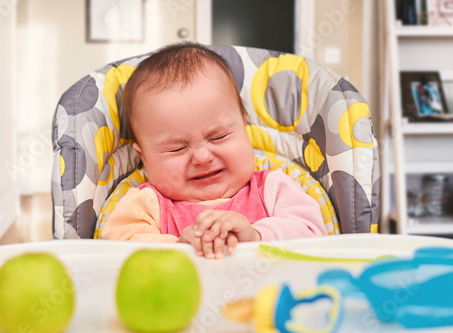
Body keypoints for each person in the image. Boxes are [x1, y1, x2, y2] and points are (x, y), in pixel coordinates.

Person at [102, 42, 327, 258]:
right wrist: (178, 247)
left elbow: (314, 234)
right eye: (177, 149)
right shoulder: (145, 205)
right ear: (144, 157)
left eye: (218, 137)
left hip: (269, 296)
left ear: (244, 127)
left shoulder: (273, 188)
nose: (202, 157)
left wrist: (257, 236)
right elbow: (115, 251)